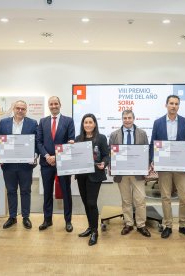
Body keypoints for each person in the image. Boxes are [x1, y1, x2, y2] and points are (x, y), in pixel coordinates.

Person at [150, 95, 185, 239]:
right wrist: (153, 160)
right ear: (166, 105)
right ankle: (168, 225)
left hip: (181, 165)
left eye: (176, 104)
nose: (173, 106)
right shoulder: (158, 123)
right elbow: (153, 143)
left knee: (184, 196)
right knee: (166, 197)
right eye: (171, 103)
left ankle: (183, 225)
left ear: (178, 106)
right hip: (164, 165)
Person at [0, 100, 38, 230]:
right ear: (13, 109)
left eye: (23, 109)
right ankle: (12, 217)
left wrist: (34, 154)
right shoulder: (4, 122)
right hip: (9, 165)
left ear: (26, 110)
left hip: (26, 165)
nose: (20, 111)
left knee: (25, 191)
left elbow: (37, 142)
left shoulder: (32, 123)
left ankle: (26, 217)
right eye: (18, 108)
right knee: (11, 191)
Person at [109, 110, 151, 237]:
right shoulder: (114, 134)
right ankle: (128, 223)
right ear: (122, 119)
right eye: (125, 118)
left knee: (140, 199)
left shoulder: (142, 134)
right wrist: (112, 166)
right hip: (122, 173)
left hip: (137, 172)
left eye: (129, 118)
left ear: (134, 118)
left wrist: (147, 166)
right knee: (126, 200)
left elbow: (146, 152)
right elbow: (110, 153)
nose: (127, 120)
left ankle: (141, 225)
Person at [36, 96, 75, 232]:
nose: (53, 106)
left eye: (56, 103)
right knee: (47, 192)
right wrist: (47, 156)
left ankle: (68, 221)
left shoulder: (68, 121)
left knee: (66, 192)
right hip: (46, 163)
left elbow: (70, 141)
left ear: (60, 104)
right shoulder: (42, 121)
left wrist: (56, 156)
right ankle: (47, 220)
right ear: (49, 106)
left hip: (63, 163)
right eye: (51, 104)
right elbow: (39, 142)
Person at [75, 113, 109, 246]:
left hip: (95, 175)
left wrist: (104, 163)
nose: (88, 124)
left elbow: (106, 155)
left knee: (91, 203)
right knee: (85, 202)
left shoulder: (101, 138)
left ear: (95, 124)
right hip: (81, 175)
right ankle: (90, 227)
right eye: (85, 122)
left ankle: (95, 231)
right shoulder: (78, 139)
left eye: (90, 122)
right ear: (83, 125)